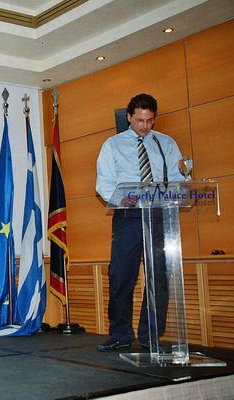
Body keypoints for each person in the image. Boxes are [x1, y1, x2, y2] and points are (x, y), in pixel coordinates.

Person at [95, 93, 187, 352]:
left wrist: (177, 191)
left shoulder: (166, 143)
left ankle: (151, 336)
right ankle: (121, 334)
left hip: (159, 214)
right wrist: (121, 199)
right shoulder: (112, 145)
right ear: (129, 117)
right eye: (139, 120)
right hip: (129, 216)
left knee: (159, 277)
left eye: (149, 120)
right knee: (121, 275)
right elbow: (104, 183)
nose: (145, 126)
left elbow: (179, 178)